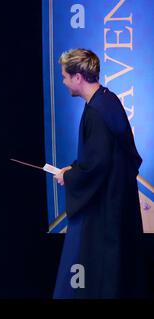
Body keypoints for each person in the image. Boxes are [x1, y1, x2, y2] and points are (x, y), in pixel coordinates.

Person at [53, 48, 146, 298]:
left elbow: (97, 164)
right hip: (118, 198)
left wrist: (69, 177)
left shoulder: (95, 111)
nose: (63, 82)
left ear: (78, 77)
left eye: (64, 76)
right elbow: (107, 154)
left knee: (97, 271)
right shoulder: (108, 99)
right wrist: (75, 167)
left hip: (104, 206)